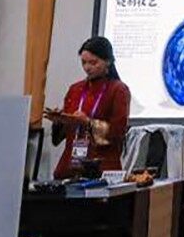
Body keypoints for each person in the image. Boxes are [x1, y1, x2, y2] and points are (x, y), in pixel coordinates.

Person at [46, 36, 131, 180]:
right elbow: (59, 138)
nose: (87, 67)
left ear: (108, 61)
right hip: (70, 168)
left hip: (101, 168)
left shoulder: (118, 90)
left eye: (93, 62)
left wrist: (87, 122)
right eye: (84, 62)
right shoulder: (75, 89)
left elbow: (117, 133)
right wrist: (60, 121)